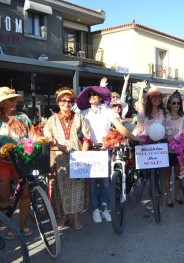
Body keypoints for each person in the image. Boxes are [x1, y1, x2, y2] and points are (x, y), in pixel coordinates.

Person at [77, 85, 138, 223]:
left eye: (95, 94)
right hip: (90, 150)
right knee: (92, 182)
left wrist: (133, 138)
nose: (92, 96)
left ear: (100, 97)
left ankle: (105, 208)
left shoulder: (108, 111)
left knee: (105, 182)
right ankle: (95, 209)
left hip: (105, 149)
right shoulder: (83, 113)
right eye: (90, 94)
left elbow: (120, 127)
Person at [43, 88, 90, 230]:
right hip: (58, 158)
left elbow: (87, 137)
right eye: (63, 100)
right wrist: (53, 141)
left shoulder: (80, 117)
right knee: (60, 189)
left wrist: (83, 155)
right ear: (58, 102)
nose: (67, 103)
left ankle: (76, 217)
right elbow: (46, 137)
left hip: (77, 156)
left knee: (77, 187)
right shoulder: (51, 120)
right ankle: (63, 216)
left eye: (70, 101)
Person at [0, 86, 35, 238]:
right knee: (4, 196)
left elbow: (33, 136)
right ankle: (8, 226)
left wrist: (42, 141)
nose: (13, 102)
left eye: (14, 98)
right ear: (2, 103)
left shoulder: (23, 117)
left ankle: (23, 224)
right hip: (2, 163)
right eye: (9, 99)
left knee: (25, 193)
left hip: (21, 161)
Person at [132, 86, 170, 210]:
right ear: (149, 99)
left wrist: (169, 135)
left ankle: (162, 198)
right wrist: (135, 136)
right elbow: (139, 126)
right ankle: (152, 195)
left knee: (163, 172)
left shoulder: (165, 112)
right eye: (154, 97)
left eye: (158, 97)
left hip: (162, 143)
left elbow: (168, 126)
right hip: (147, 143)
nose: (156, 99)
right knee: (149, 172)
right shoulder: (143, 113)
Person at [165, 90, 184, 206]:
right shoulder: (165, 118)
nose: (176, 105)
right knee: (167, 175)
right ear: (169, 104)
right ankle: (169, 196)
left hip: (179, 150)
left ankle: (177, 194)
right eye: (174, 103)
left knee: (177, 174)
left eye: (178, 103)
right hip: (166, 150)